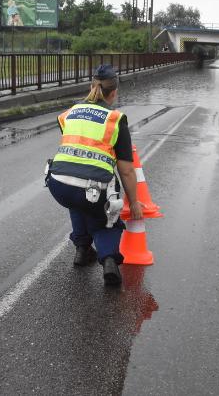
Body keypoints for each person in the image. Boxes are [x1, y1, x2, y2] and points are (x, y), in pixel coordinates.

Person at [46, 64, 144, 286]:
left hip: (58, 183)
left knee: (79, 198)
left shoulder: (68, 114)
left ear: (91, 87)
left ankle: (82, 249)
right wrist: (135, 202)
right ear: (114, 92)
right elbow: (126, 169)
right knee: (106, 218)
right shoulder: (115, 119)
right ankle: (108, 259)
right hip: (92, 188)